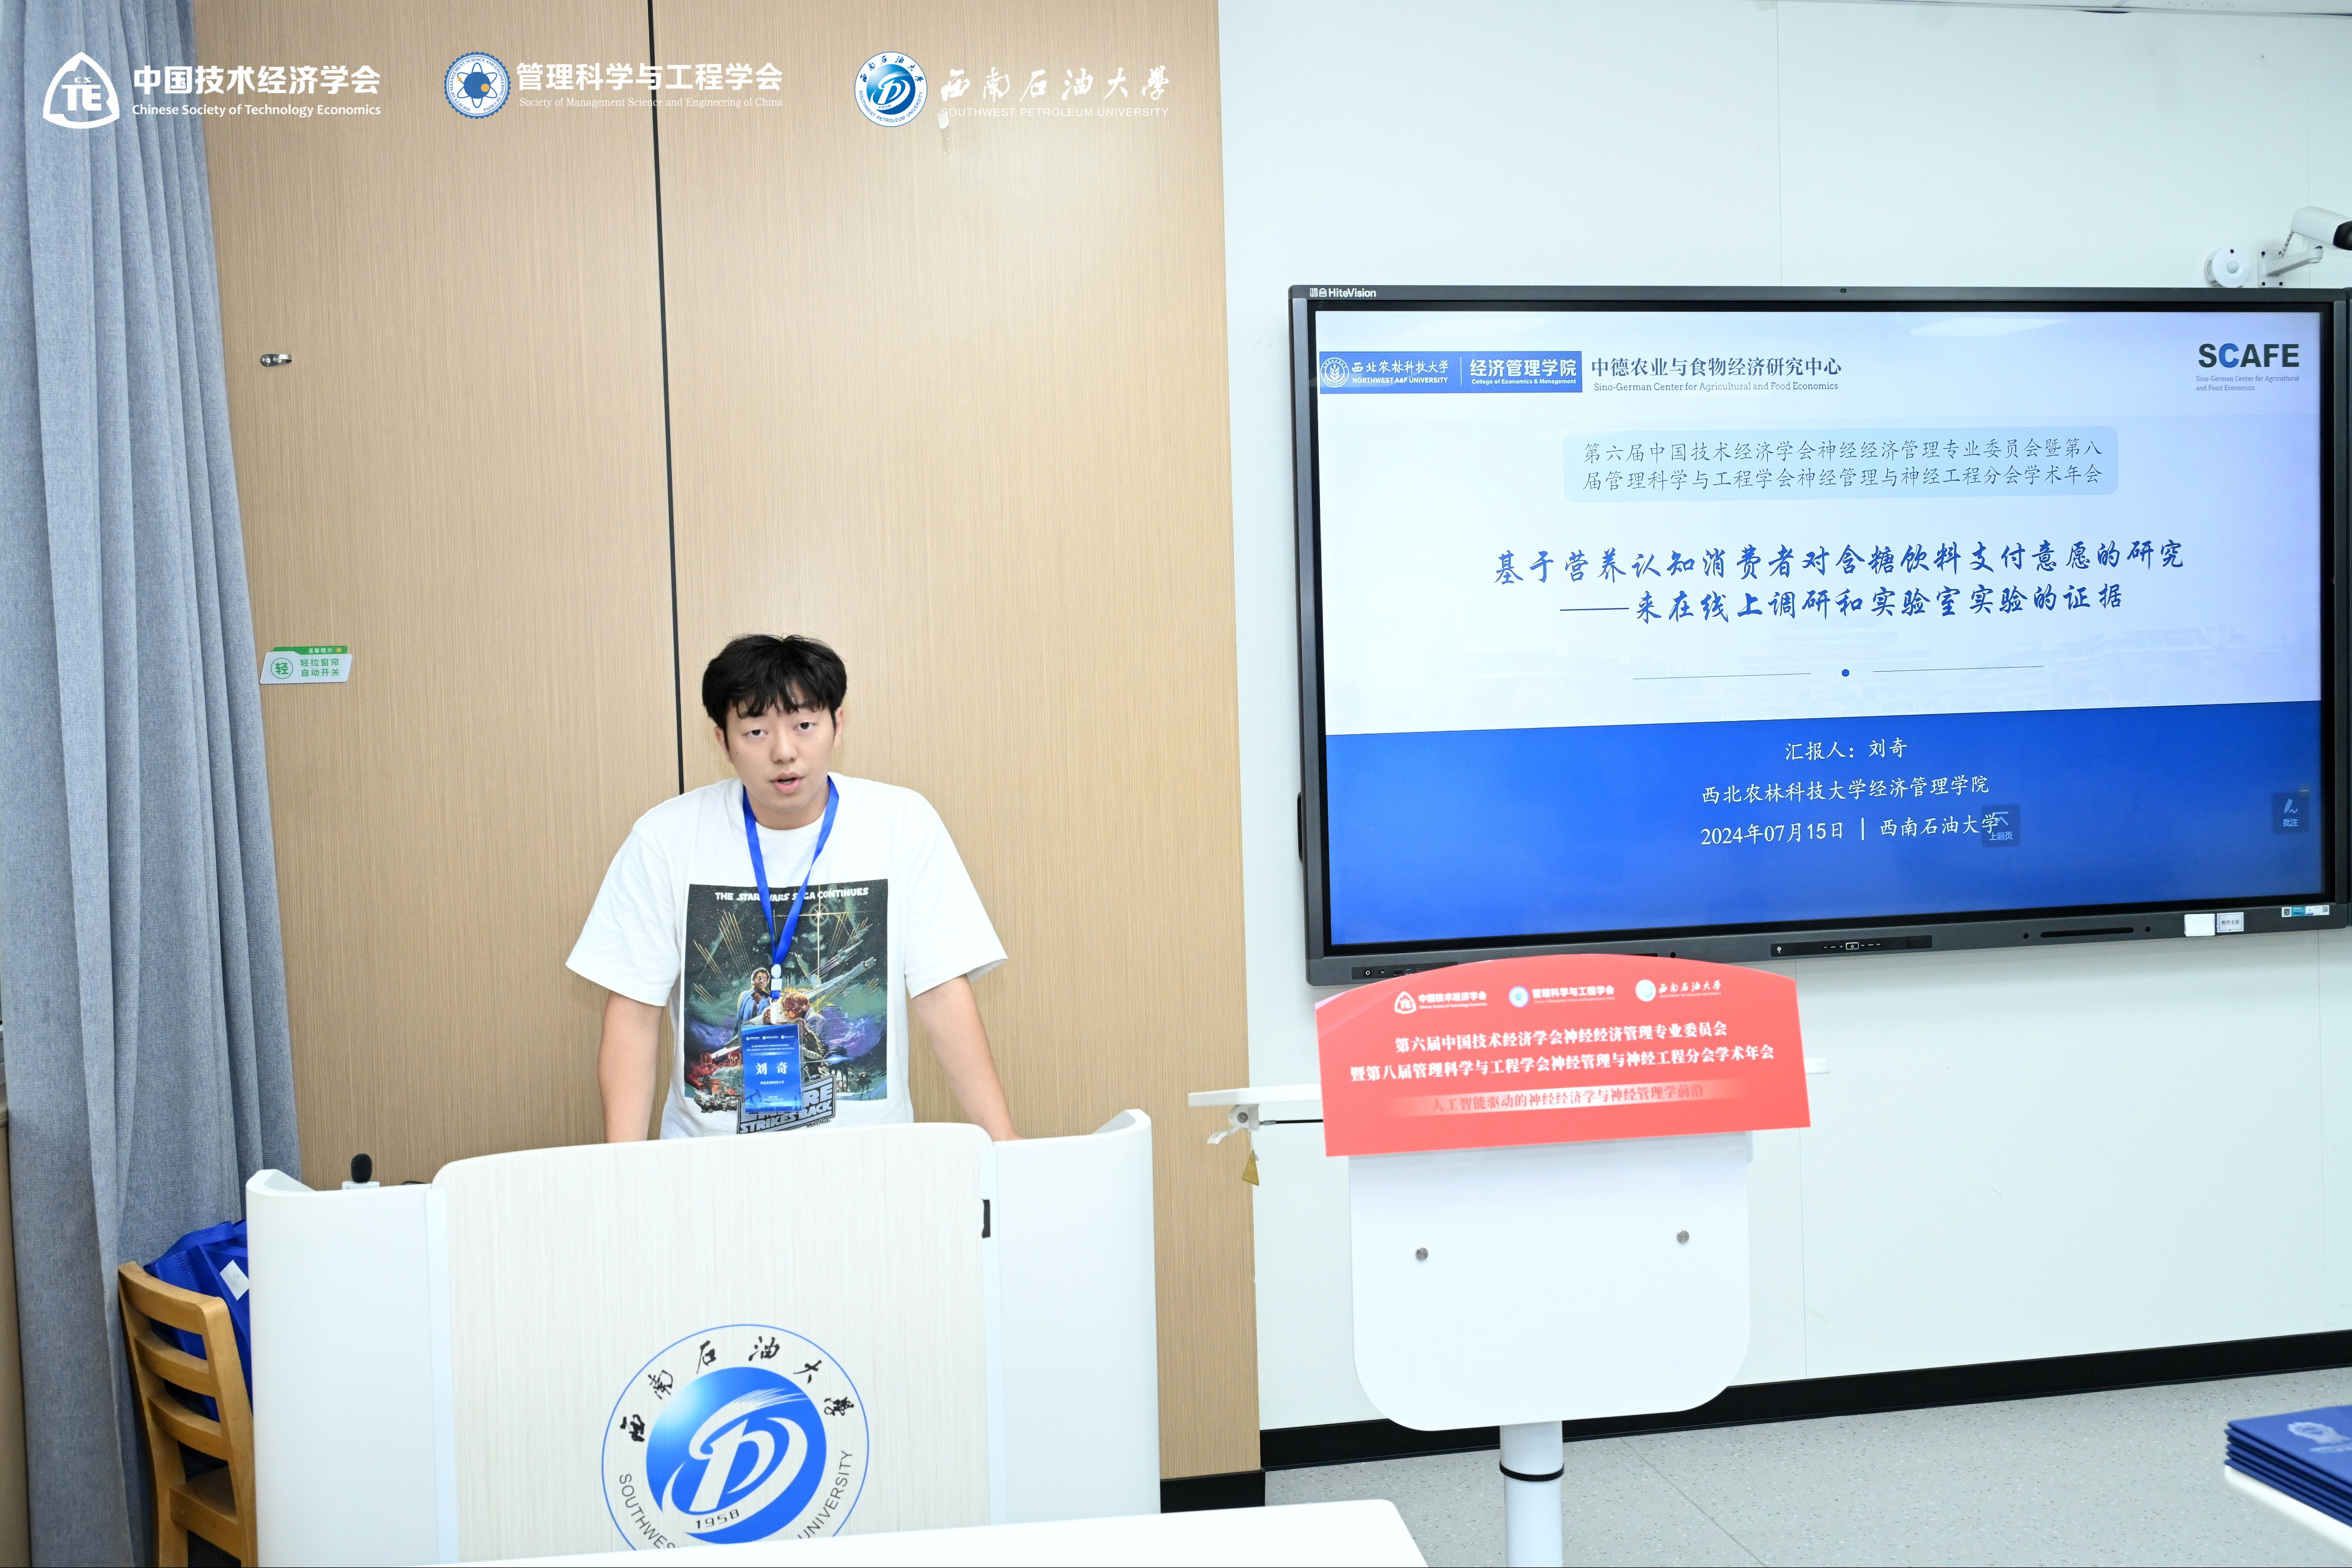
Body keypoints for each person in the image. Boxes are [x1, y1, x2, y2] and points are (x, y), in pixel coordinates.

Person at [568, 634, 1018, 1140]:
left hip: (868, 1162)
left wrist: (1004, 1143)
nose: (784, 752)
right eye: (756, 731)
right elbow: (634, 1013)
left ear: (837, 725)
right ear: (722, 741)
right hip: (707, 1166)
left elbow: (941, 993)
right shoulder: (665, 839)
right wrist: (623, 1168)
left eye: (804, 725)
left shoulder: (902, 823)